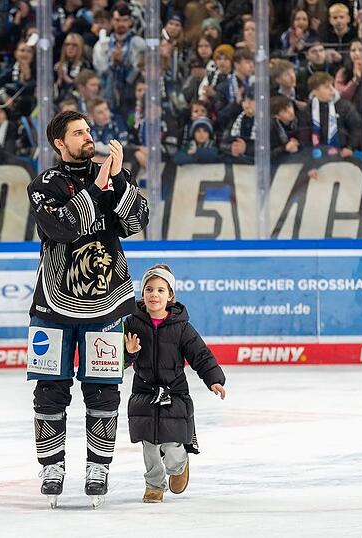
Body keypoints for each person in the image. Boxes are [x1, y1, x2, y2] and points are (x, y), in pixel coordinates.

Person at [26, 109, 149, 508]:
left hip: (107, 306)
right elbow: (62, 228)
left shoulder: (112, 175)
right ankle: (51, 467)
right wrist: (97, 188)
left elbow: (137, 223)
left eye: (88, 130)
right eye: (78, 133)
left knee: (103, 390)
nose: (87, 136)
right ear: (60, 143)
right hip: (53, 305)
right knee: (50, 390)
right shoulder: (44, 184)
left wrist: (120, 179)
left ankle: (99, 467)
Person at [123, 264, 226, 504]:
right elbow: (118, 360)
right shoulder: (132, 323)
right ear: (142, 294)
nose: (154, 295)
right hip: (144, 393)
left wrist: (214, 379)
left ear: (170, 296)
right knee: (149, 445)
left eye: (160, 290)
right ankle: (154, 485)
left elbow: (200, 354)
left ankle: (179, 466)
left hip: (174, 393)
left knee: (172, 445)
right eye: (149, 289)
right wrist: (130, 353)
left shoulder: (181, 327)